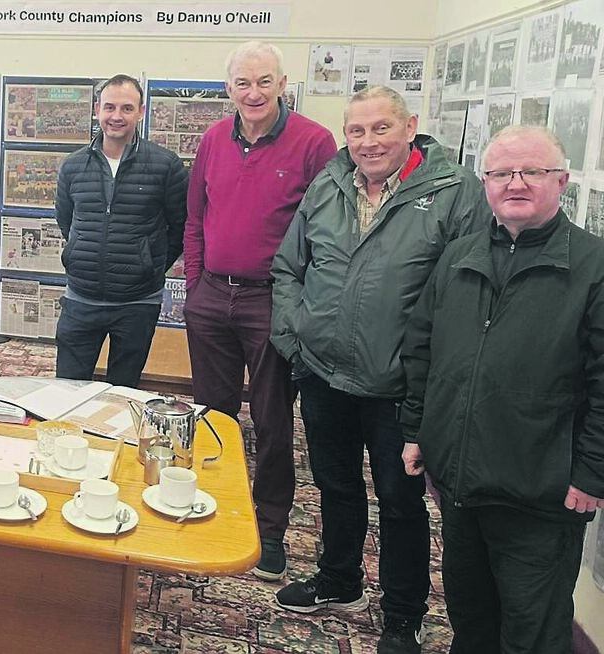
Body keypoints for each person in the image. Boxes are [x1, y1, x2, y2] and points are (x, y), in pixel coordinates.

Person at [269, 86, 491, 653]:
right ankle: (341, 580)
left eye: (381, 128)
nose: (368, 142)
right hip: (323, 373)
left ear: (410, 127)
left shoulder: (453, 193)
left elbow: (467, 298)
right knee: (335, 486)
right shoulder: (328, 184)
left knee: (400, 502)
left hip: (400, 386)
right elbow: (289, 267)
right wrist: (296, 337)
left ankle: (402, 613)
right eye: (357, 130)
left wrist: (431, 374)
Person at [400, 125, 604, 654]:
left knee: (531, 628)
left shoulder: (593, 267)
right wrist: (419, 432)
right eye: (500, 173)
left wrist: (592, 471)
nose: (515, 183)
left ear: (561, 182)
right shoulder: (459, 256)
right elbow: (423, 348)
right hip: (462, 482)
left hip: (541, 490)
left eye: (531, 172)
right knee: (470, 613)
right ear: (485, 183)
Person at [183, 41, 337, 581]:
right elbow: (195, 217)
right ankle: (215, 509)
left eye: (264, 82)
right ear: (228, 89)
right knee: (214, 417)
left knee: (273, 420)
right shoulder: (211, 139)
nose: (253, 93)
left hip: (272, 301)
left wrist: (297, 300)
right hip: (211, 299)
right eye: (243, 83)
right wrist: (198, 284)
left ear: (282, 82)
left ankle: (269, 530)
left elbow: (326, 231)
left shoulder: (315, 142)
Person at [54, 73, 188, 388]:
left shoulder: (165, 165)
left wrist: (148, 265)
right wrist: (80, 254)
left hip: (137, 303)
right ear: (97, 109)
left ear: (141, 112)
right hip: (80, 299)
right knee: (66, 390)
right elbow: (66, 221)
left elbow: (180, 226)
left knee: (123, 394)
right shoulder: (73, 166)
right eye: (110, 107)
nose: (117, 116)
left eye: (127, 108)